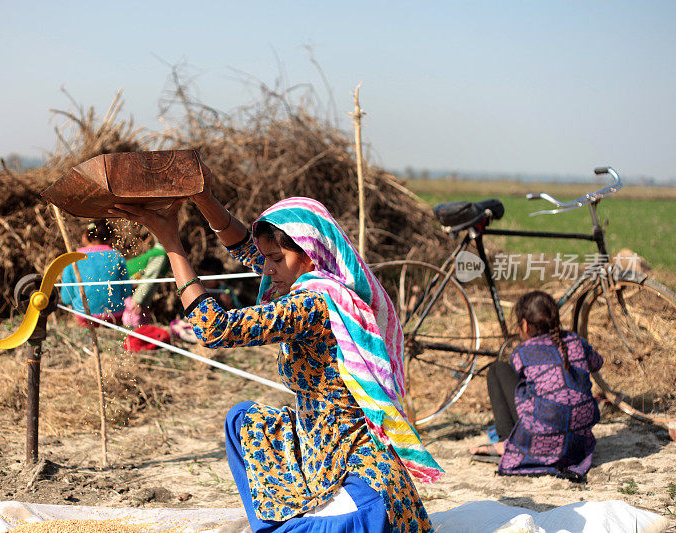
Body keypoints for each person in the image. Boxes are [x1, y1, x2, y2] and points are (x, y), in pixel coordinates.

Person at [111, 164, 441, 533]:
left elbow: (214, 329)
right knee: (242, 419)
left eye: (275, 259)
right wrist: (202, 196)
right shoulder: (314, 284)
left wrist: (170, 243)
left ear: (310, 253)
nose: (265, 270)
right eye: (265, 259)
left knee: (331, 524)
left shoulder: (313, 303)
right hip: (321, 448)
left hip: (358, 467)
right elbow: (246, 247)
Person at [469, 290, 604, 482]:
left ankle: (507, 442)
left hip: (542, 436)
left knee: (497, 370)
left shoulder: (522, 352)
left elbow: (521, 384)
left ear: (524, 324)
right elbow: (597, 363)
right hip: (577, 444)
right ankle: (511, 441)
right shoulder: (575, 341)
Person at [60, 219, 132, 326]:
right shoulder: (117, 256)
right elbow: (126, 291)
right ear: (110, 237)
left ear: (86, 236)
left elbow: (66, 297)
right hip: (115, 314)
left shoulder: (74, 258)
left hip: (84, 313)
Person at [123, 238, 169, 327]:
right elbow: (149, 279)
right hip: (127, 289)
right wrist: (137, 300)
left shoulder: (158, 253)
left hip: (131, 289)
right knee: (132, 320)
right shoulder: (160, 255)